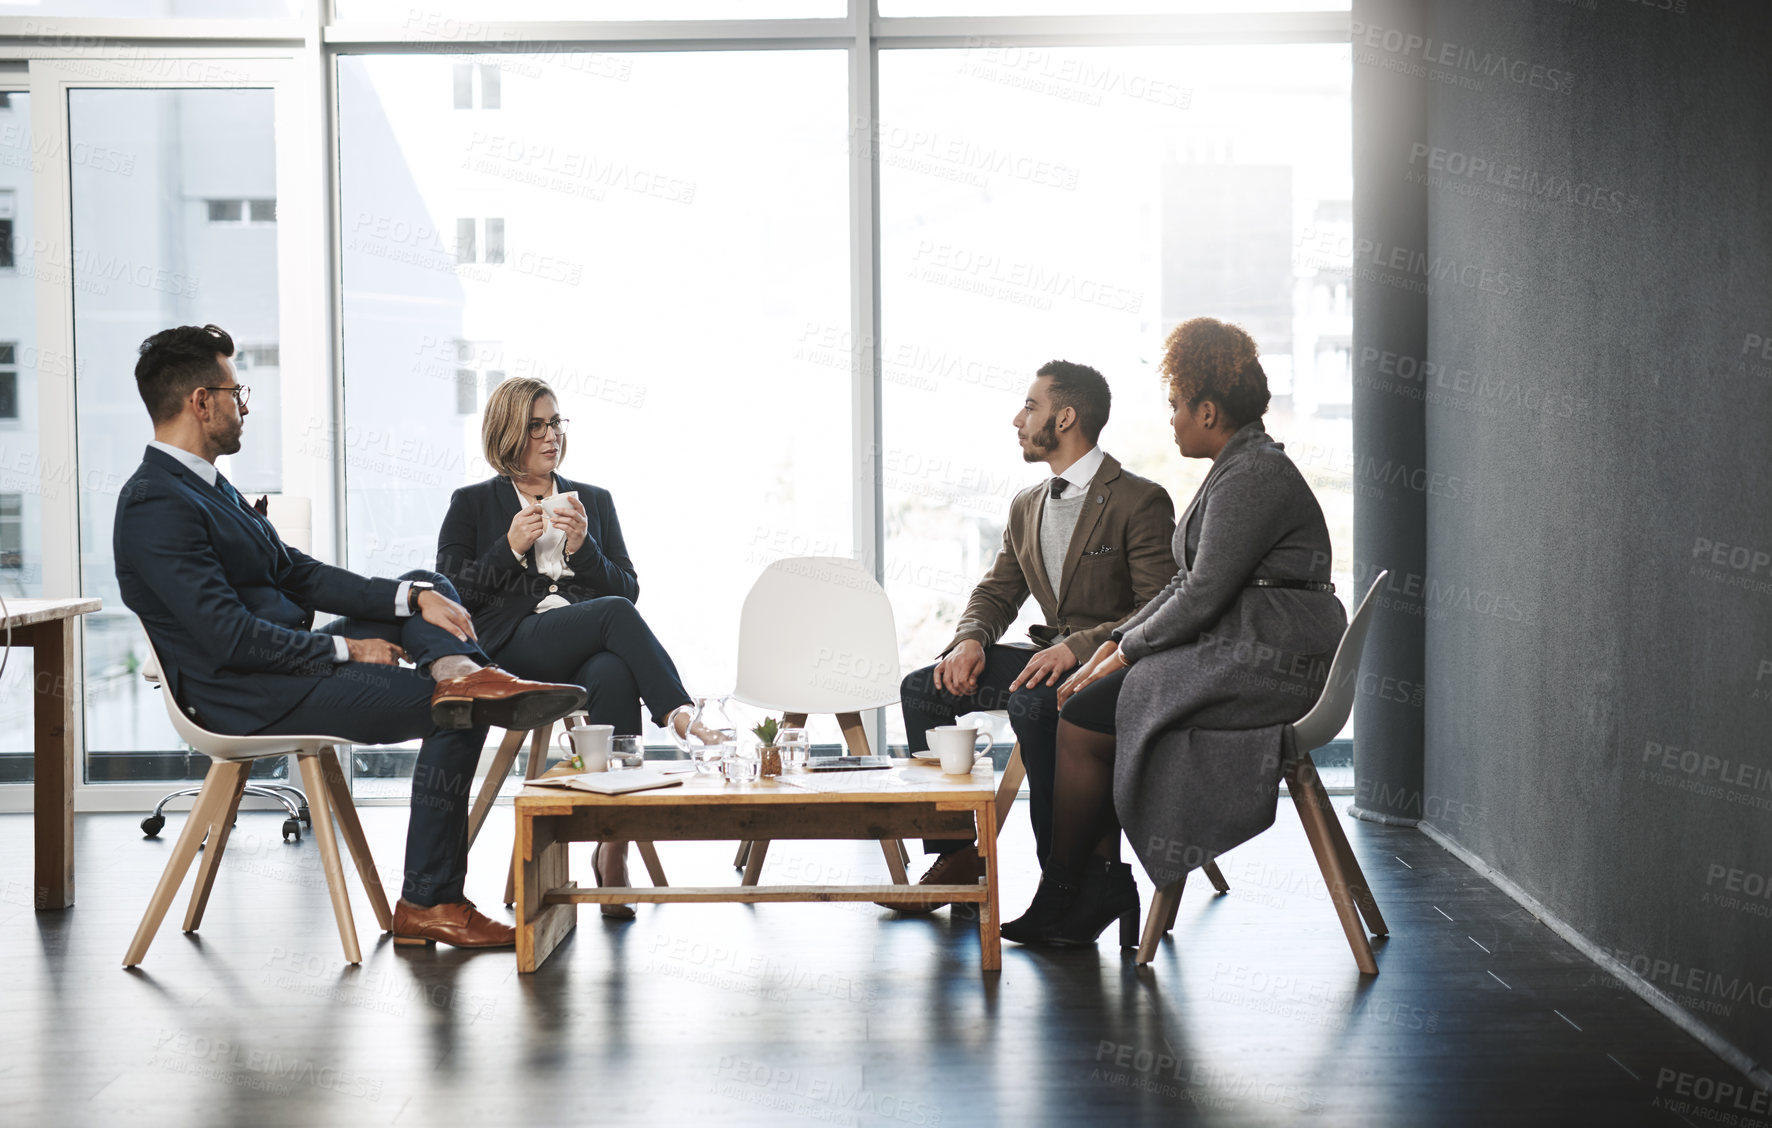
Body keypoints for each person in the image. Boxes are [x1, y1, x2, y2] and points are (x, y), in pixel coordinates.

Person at [114, 324, 587, 950]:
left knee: (426, 582)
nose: (244, 406)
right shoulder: (155, 502)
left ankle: (465, 671)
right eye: (236, 392)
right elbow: (226, 638)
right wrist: (346, 648)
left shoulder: (207, 486)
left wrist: (411, 598)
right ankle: (430, 899)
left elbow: (297, 574)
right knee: (461, 711)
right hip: (247, 691)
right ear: (202, 401)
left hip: (281, 666)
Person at [1000, 318, 1349, 947]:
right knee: (1086, 703)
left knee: (1083, 713)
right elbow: (1183, 587)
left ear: (1208, 411)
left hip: (1269, 659)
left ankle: (1069, 888)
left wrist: (1119, 652)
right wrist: (1112, 646)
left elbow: (1202, 593)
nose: (1172, 420)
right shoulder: (1236, 468)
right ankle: (1090, 887)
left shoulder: (1252, 476)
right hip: (1246, 645)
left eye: (1176, 407)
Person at [892, 360, 1176, 908]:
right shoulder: (1027, 505)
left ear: (1065, 417)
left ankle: (1066, 883)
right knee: (922, 688)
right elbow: (998, 591)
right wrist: (971, 638)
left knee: (1034, 705)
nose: (1017, 419)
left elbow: (1158, 607)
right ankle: (954, 853)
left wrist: (1079, 646)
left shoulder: (1139, 500)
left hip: (1108, 670)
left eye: (1030, 406)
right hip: (1044, 661)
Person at [436, 376, 715, 916]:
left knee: (612, 671)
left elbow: (627, 586)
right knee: (613, 618)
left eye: (555, 422)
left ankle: (613, 848)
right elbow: (451, 593)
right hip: (513, 648)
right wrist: (508, 549)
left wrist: (585, 548)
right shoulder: (471, 503)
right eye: (536, 425)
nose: (550, 436)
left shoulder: (594, 502)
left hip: (584, 648)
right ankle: (679, 713)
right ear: (508, 434)